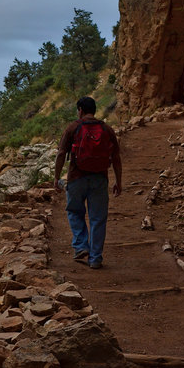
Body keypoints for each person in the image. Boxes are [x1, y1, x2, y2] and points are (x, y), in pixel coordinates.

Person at [53, 96, 122, 269]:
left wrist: (56, 177)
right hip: (100, 179)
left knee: (74, 212)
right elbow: (116, 158)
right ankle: (95, 258)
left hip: (77, 178)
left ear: (80, 110)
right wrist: (118, 181)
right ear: (94, 110)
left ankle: (81, 246)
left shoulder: (73, 128)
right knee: (98, 219)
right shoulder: (106, 129)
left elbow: (61, 153)